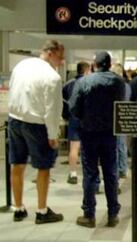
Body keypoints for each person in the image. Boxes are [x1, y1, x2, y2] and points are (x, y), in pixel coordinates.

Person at [8, 39, 65, 224]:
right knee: (43, 168)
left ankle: (18, 208)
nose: (62, 61)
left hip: (15, 120)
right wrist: (52, 135)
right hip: (37, 125)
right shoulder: (52, 77)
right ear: (50, 53)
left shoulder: (22, 65)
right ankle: (42, 211)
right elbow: (53, 110)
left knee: (17, 164)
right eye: (60, 56)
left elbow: (12, 91)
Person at [70, 51, 125, 228]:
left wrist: (84, 118)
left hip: (89, 133)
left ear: (94, 65)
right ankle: (112, 214)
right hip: (110, 133)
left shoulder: (84, 81)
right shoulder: (118, 82)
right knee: (110, 172)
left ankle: (89, 214)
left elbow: (74, 107)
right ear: (109, 64)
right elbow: (120, 104)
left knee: (90, 173)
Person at [62, 61, 91, 184]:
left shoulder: (68, 84)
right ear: (86, 71)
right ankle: (88, 174)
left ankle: (73, 174)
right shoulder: (91, 83)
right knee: (89, 148)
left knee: (74, 147)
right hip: (88, 119)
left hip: (74, 118)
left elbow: (63, 101)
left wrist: (66, 116)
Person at [110, 63, 131, 178]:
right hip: (123, 116)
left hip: (114, 117)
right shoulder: (127, 86)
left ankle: (117, 170)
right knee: (122, 144)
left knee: (116, 146)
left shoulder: (113, 85)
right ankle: (123, 168)